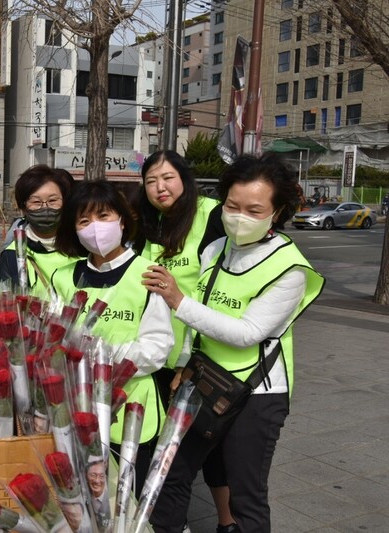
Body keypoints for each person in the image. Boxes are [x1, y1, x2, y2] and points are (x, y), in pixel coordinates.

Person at [144, 153, 325, 532]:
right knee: (170, 474)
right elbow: (201, 316)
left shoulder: (289, 269)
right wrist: (183, 363)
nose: (239, 216)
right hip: (205, 382)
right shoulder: (216, 249)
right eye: (232, 206)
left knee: (246, 494)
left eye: (254, 209)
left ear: (276, 213)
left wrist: (179, 301)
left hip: (256, 393)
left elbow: (247, 333)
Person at [51, 180, 173, 495]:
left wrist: (102, 355)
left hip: (130, 409)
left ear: (121, 219)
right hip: (77, 408)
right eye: (84, 220)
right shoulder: (64, 276)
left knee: (126, 505)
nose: (95, 227)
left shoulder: (148, 274)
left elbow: (158, 348)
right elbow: (53, 338)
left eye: (103, 216)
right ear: (73, 230)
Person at [136, 151, 233, 532]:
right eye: (151, 181)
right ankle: (174, 517)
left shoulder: (211, 215)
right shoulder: (149, 222)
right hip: (161, 355)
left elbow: (218, 286)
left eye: (168, 178)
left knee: (207, 444)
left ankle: (227, 521)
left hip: (201, 356)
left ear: (185, 179)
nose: (160, 188)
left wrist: (190, 356)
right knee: (170, 445)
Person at [0, 165, 76, 290]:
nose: (45, 208)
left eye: (53, 200)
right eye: (36, 202)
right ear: (23, 208)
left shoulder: (83, 246)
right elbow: (4, 303)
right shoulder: (12, 255)